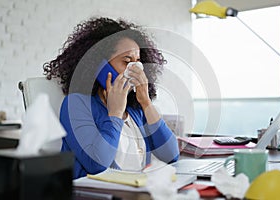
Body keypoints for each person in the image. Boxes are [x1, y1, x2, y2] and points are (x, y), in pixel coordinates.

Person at [43, 17, 179, 179]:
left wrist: (146, 102)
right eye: (127, 61)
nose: (136, 69)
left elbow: (171, 156)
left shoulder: (135, 109)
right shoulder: (76, 104)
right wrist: (115, 113)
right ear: (99, 66)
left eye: (138, 62)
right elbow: (97, 164)